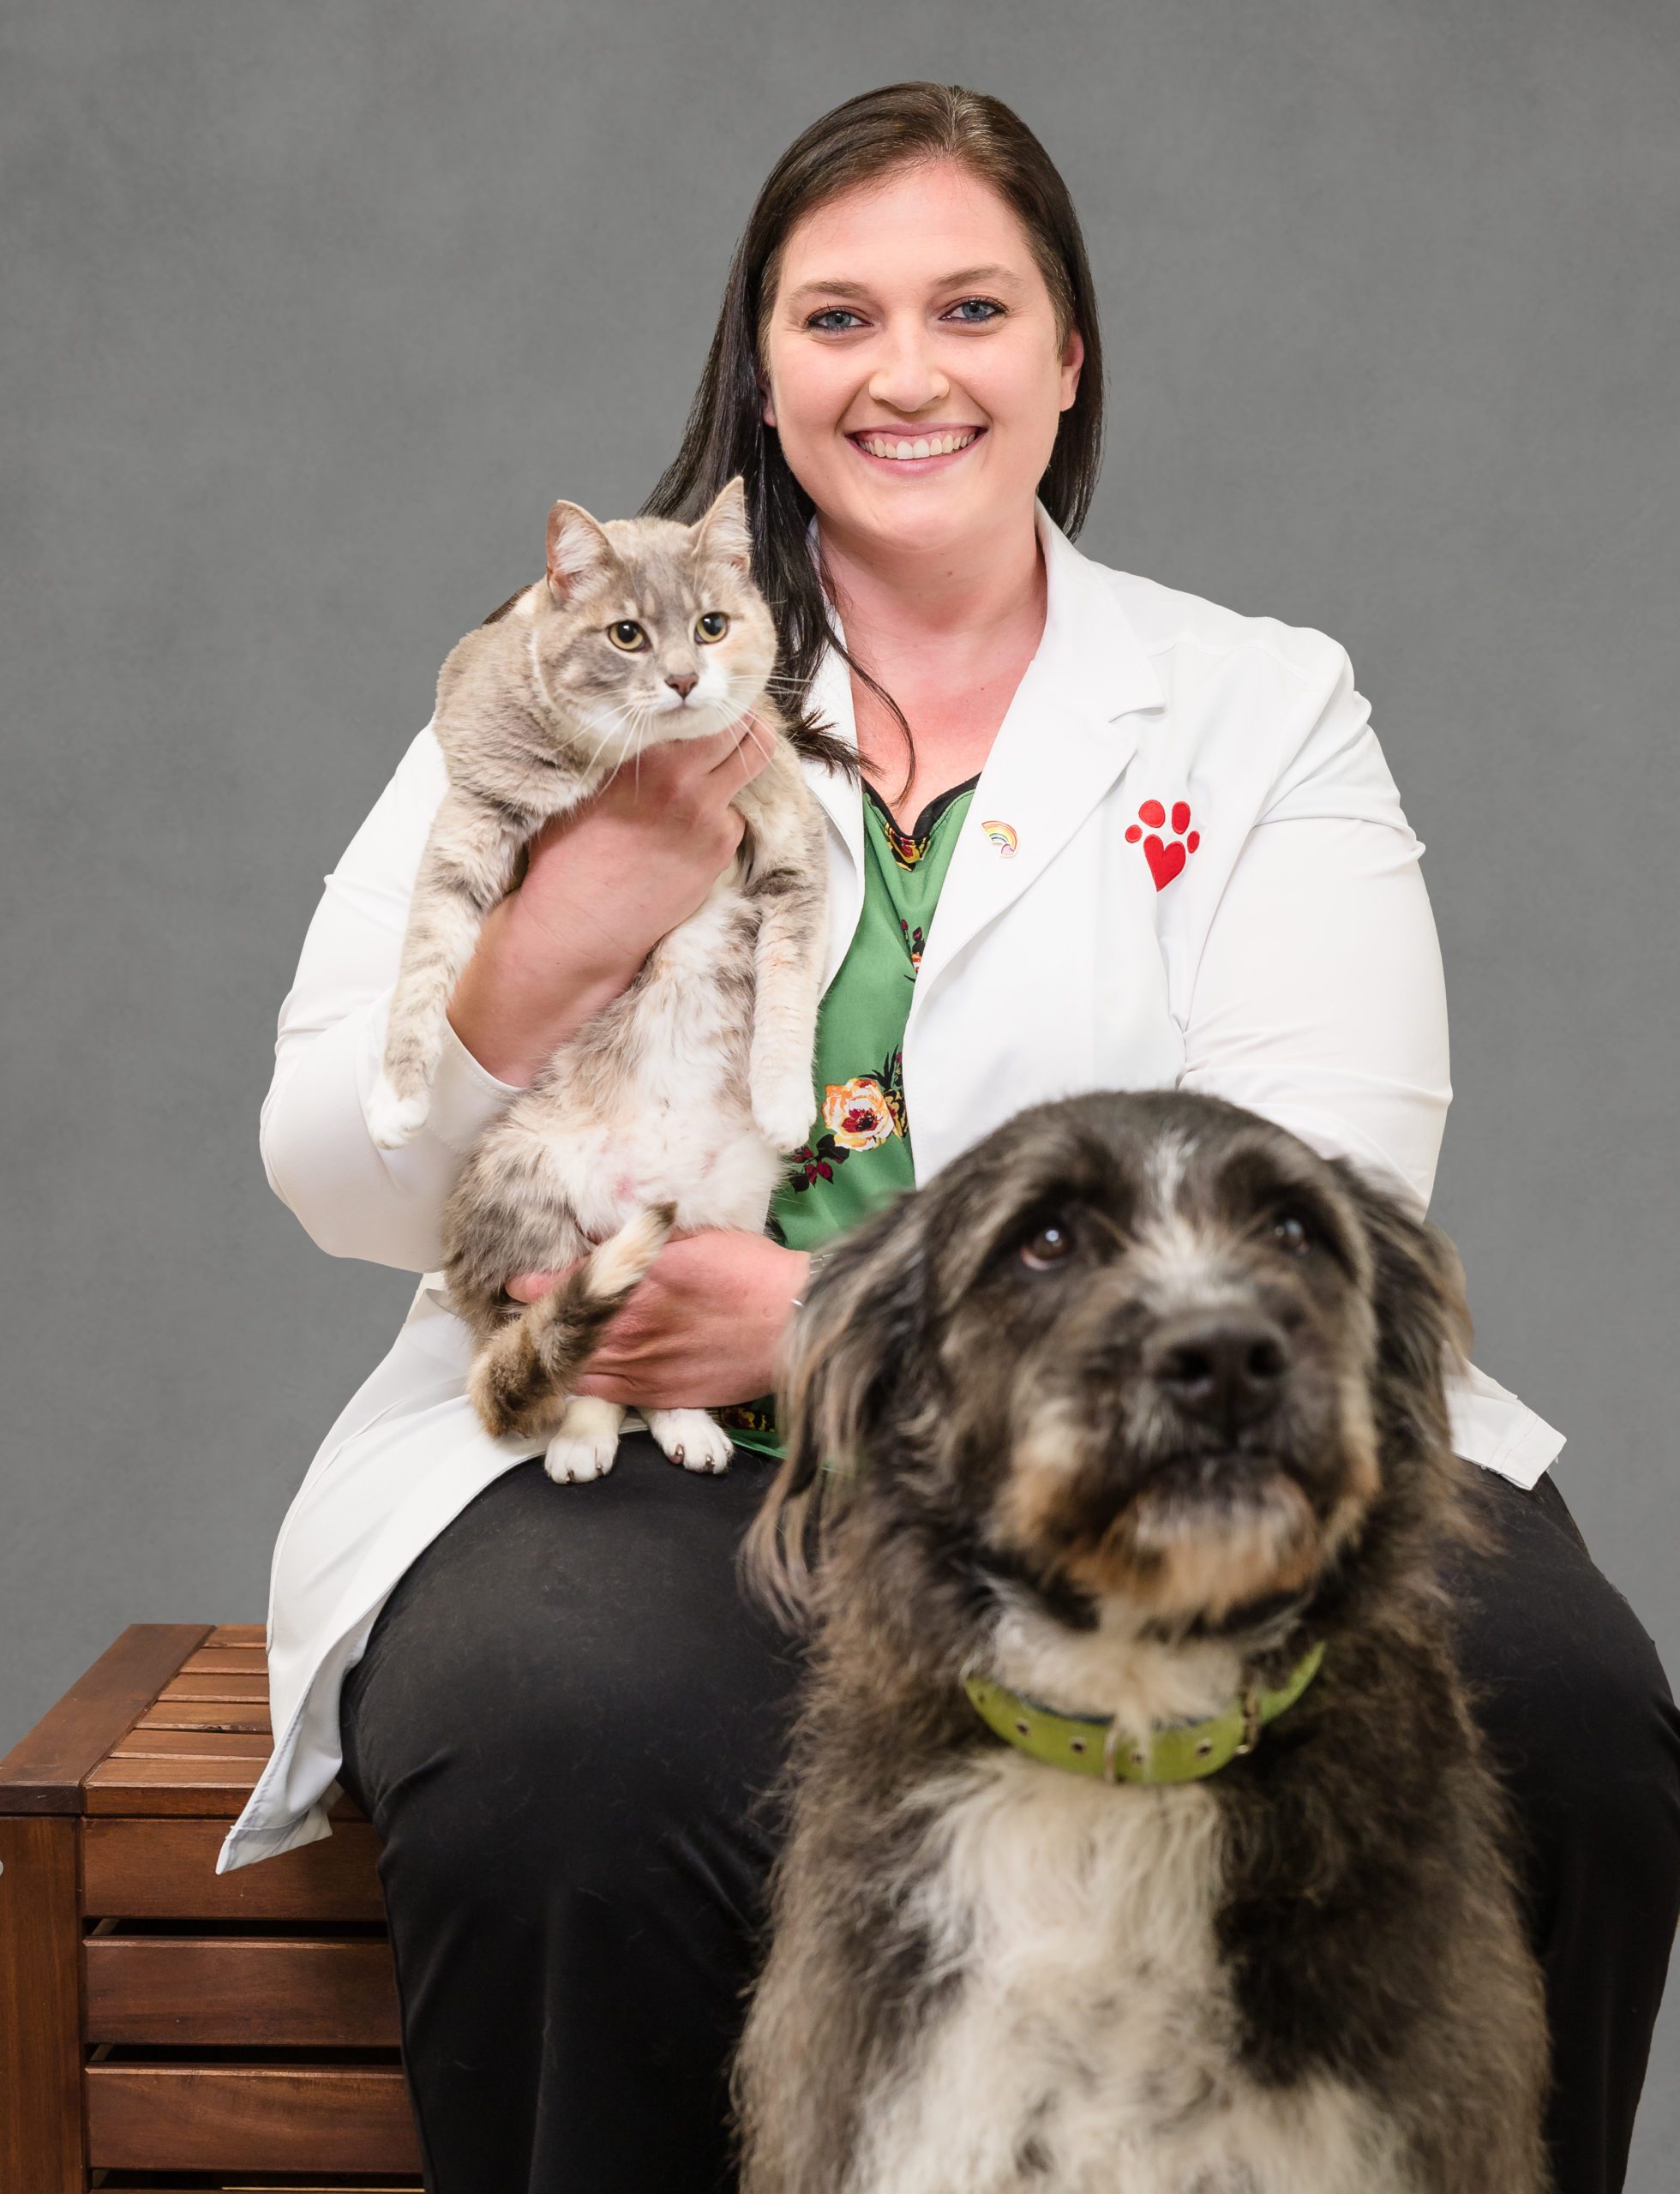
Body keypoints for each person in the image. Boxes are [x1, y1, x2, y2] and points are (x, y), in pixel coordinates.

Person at [217, 81, 1679, 2194]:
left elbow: (1331, 1183)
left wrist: (817, 1319)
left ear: (1066, 358)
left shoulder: (1254, 701)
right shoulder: (573, 692)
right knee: (565, 1748)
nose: (905, 372)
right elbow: (328, 1173)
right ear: (763, 368)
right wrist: (553, 938)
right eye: (836, 319)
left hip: (1165, 1419)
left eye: (972, 308)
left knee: (1564, 1710)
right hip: (645, 1442)